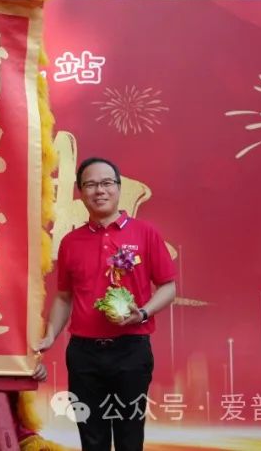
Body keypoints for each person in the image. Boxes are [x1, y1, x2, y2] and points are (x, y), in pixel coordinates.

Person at [36, 157, 177, 451]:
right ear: (80, 192)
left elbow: (168, 287)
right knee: (92, 438)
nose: (99, 190)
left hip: (131, 349)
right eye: (90, 184)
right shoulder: (71, 242)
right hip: (83, 354)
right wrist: (50, 335)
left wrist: (142, 313)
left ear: (118, 188)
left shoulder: (145, 233)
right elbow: (64, 296)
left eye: (106, 183)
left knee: (129, 437)